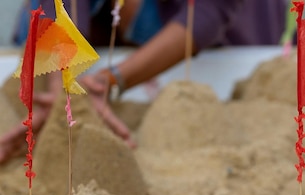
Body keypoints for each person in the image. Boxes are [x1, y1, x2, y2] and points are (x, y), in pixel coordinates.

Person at [0, 0, 287, 163]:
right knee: (36, 25)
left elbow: (208, 14)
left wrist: (108, 81)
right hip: (105, 25)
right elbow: (57, 5)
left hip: (228, 34)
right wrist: (62, 86)